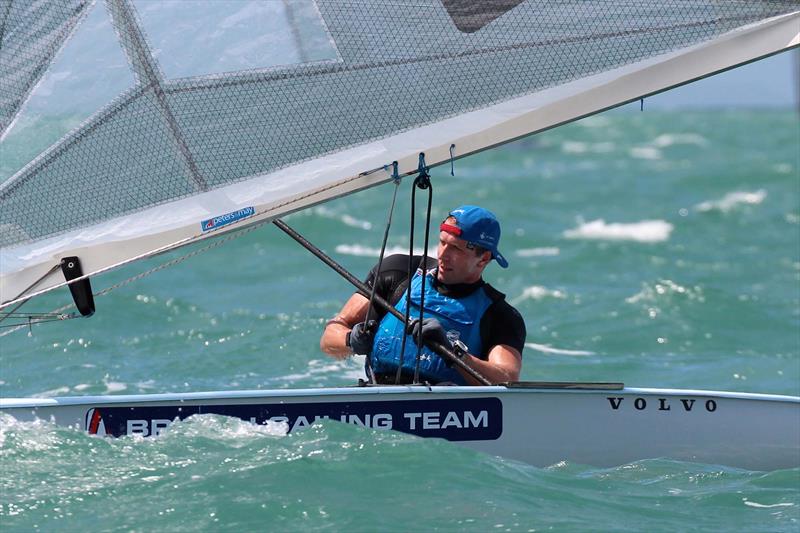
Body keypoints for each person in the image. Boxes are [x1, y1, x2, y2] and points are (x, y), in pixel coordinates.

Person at [320, 205, 525, 385]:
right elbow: (330, 337)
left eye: (456, 248)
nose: (443, 254)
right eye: (442, 242)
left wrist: (453, 353)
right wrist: (351, 340)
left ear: (483, 259)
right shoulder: (397, 273)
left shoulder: (500, 315)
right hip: (376, 399)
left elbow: (505, 379)